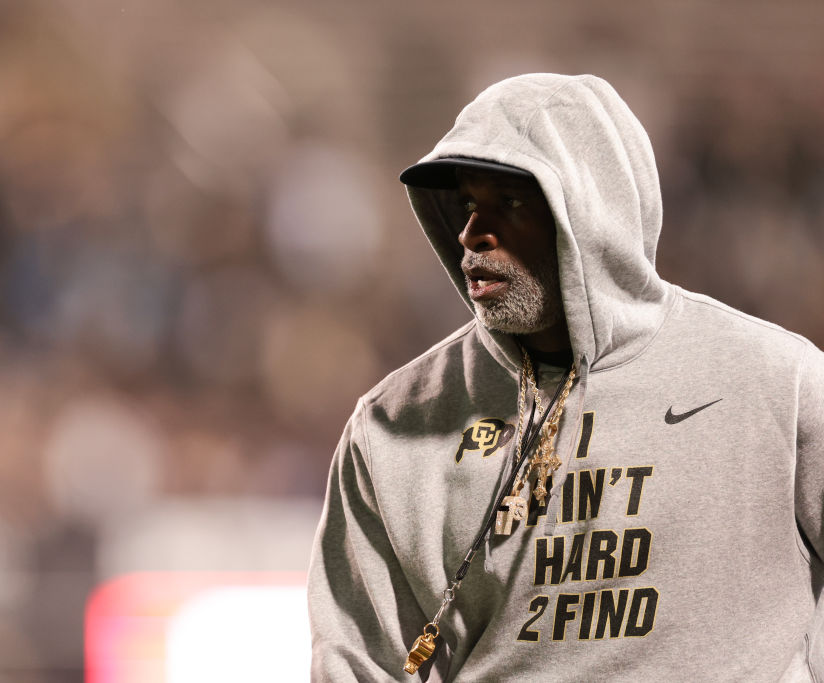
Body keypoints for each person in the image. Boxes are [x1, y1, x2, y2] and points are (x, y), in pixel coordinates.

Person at [307, 73, 824, 681]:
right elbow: (355, 662)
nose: (473, 234)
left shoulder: (775, 381)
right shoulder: (393, 424)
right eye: (469, 206)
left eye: (512, 203)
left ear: (593, 210)